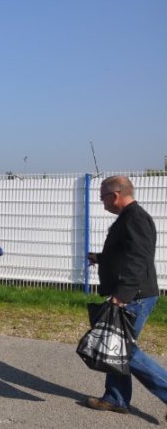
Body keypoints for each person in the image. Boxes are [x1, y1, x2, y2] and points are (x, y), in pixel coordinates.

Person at [85, 175, 167, 418]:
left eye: (102, 197)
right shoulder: (128, 218)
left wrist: (122, 295)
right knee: (116, 347)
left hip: (135, 297)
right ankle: (116, 398)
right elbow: (126, 252)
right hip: (132, 294)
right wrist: (100, 258)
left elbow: (139, 260)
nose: (102, 203)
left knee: (124, 350)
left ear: (115, 195)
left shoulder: (135, 218)